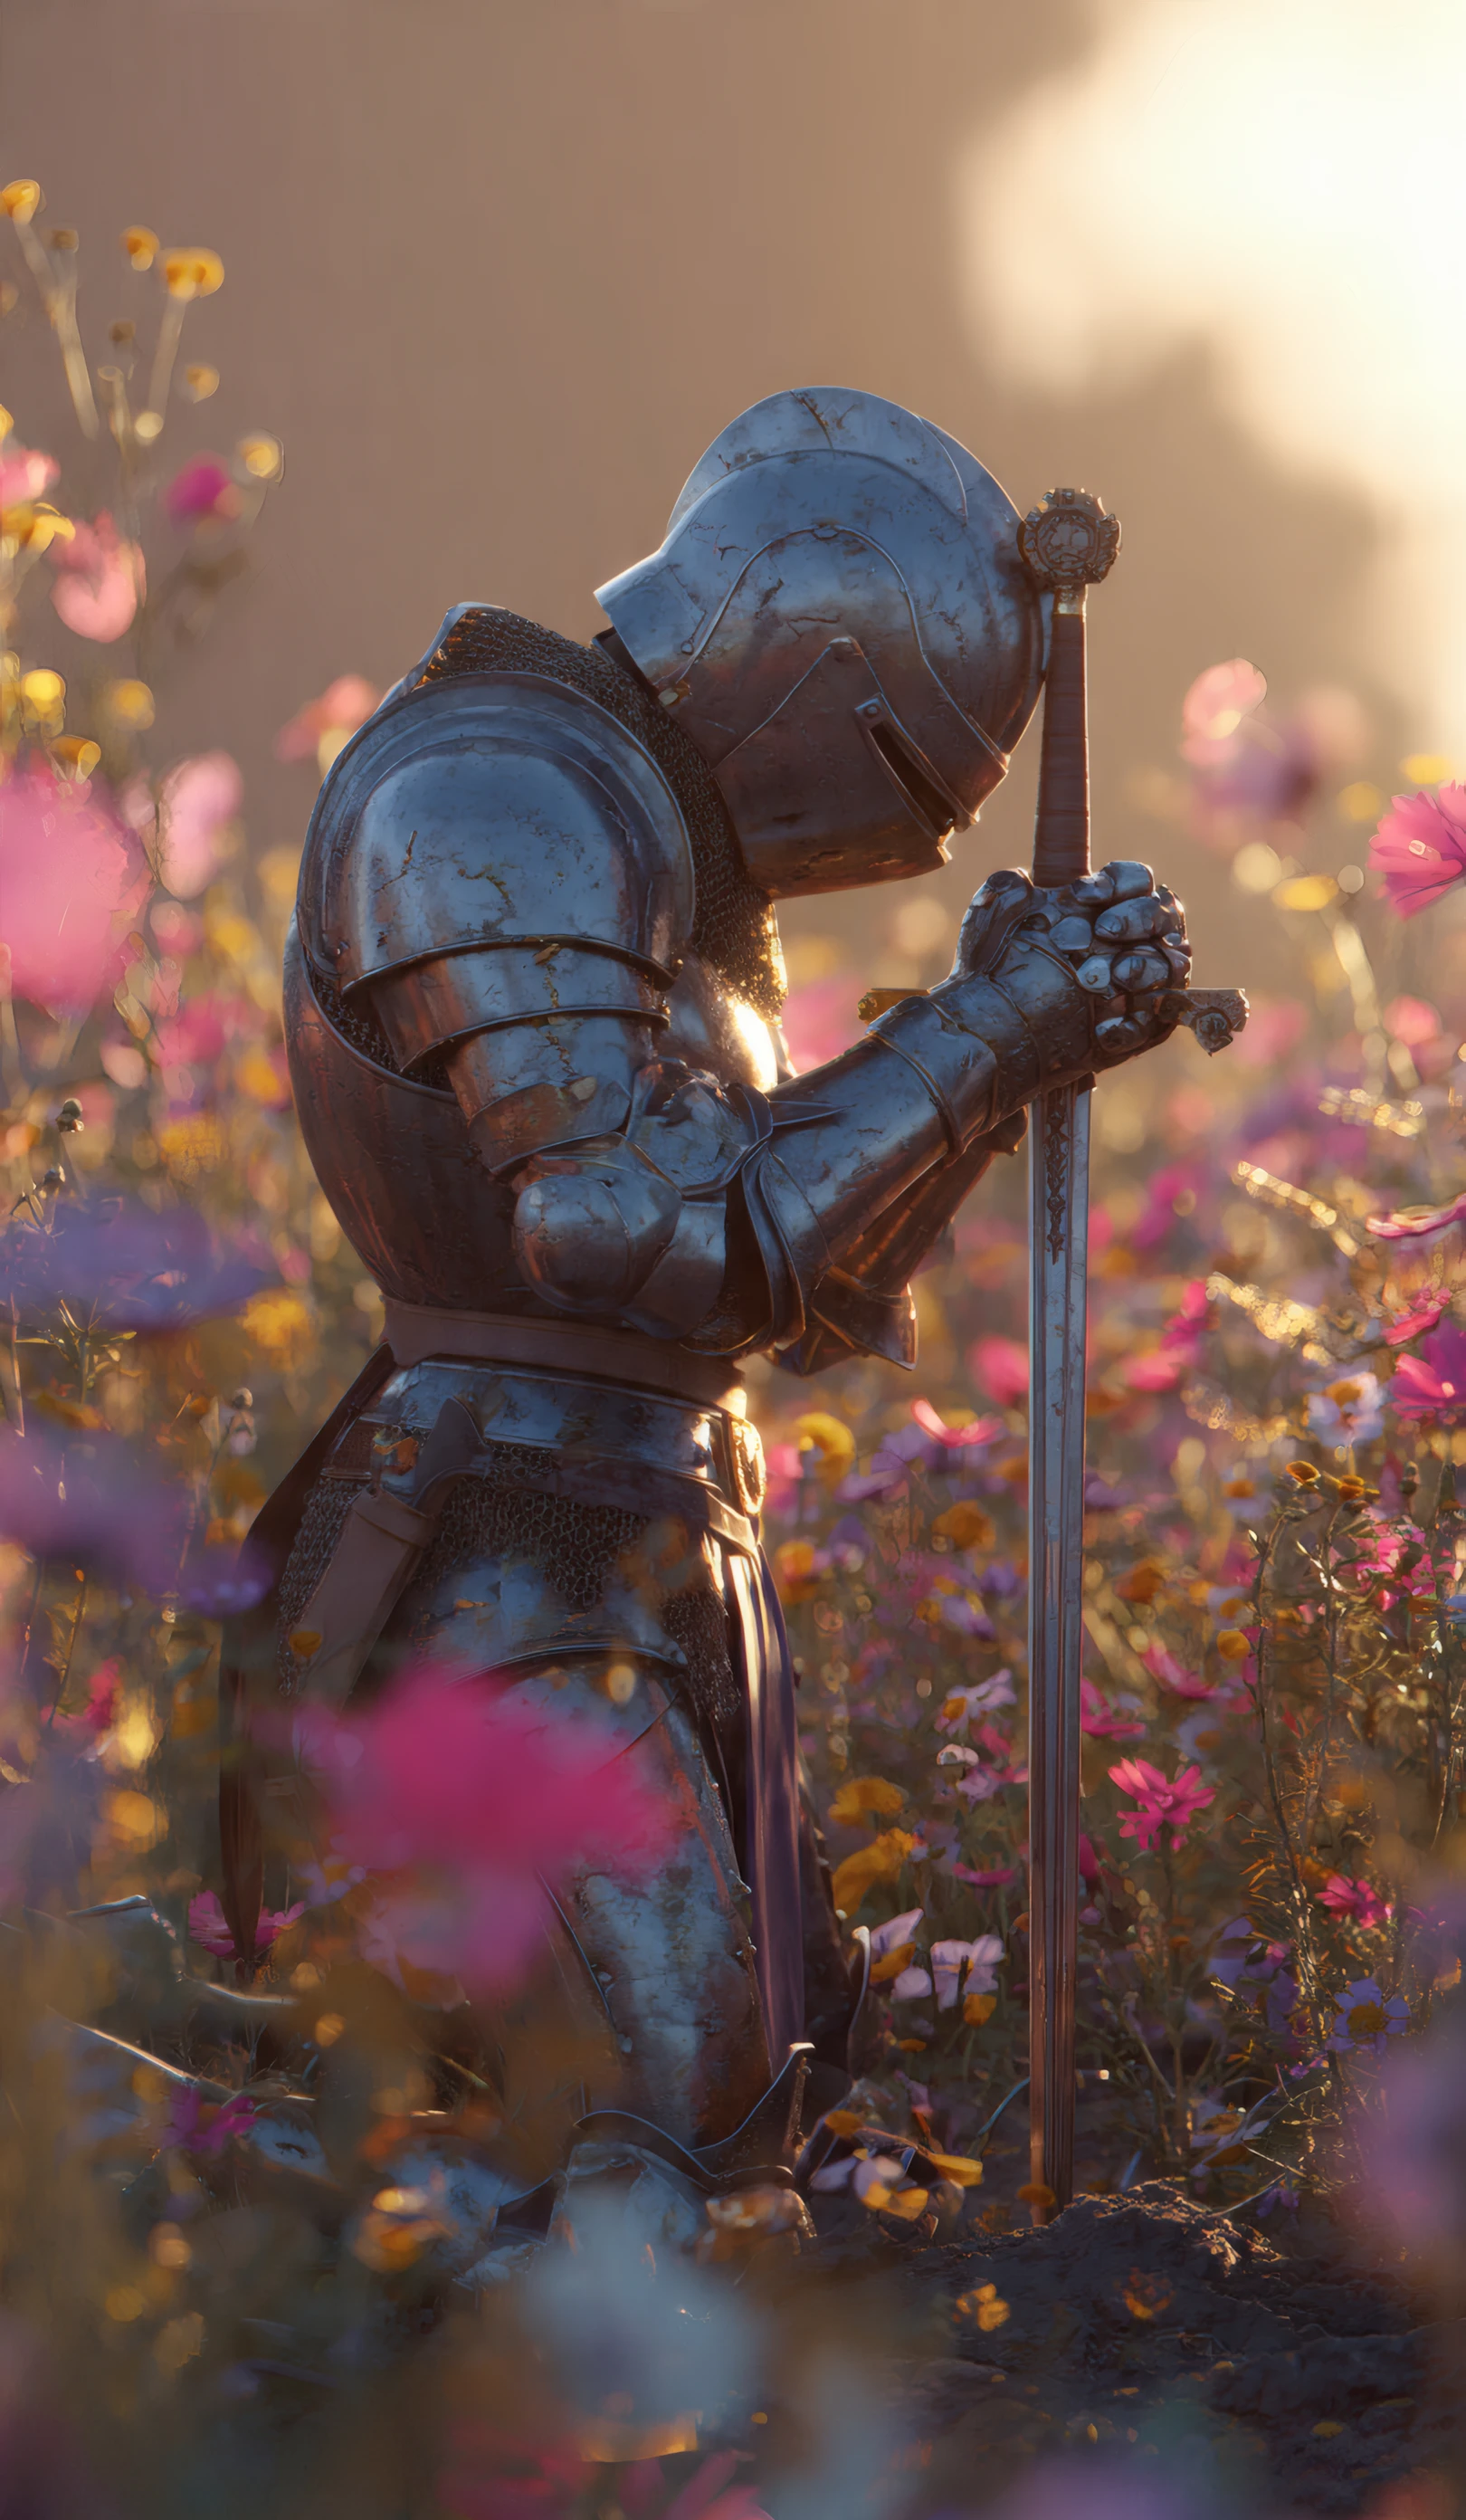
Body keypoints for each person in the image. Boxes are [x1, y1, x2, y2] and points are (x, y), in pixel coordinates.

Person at [223, 387, 1188, 2223]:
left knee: (741, 2113)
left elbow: (793, 1296)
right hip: (508, 1551)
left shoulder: (657, 846)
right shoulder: (501, 794)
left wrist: (995, 1049)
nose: (909, 843)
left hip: (637, 1534)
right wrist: (992, 1028)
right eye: (917, 777)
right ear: (823, 670)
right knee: (680, 2113)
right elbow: (617, 1230)